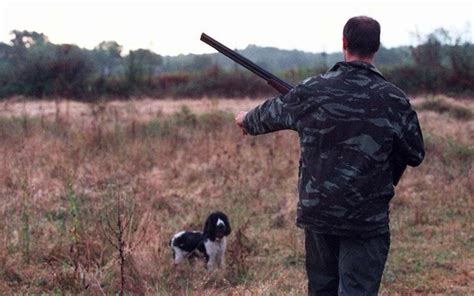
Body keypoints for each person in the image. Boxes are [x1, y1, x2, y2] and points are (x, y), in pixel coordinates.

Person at [235, 16, 425, 295]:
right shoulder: (394, 99)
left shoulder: (311, 90)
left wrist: (244, 118)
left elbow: (262, 117)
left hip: (320, 214)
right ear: (377, 46)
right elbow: (416, 152)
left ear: (344, 43)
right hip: (366, 219)